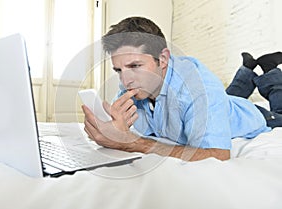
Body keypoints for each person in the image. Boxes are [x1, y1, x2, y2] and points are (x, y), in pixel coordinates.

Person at [82, 16, 282, 161]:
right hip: (223, 103)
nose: (125, 80)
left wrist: (132, 143)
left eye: (135, 66)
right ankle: (247, 69)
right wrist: (115, 126)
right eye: (118, 70)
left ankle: (270, 70)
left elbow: (218, 155)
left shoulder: (198, 89)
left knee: (277, 111)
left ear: (162, 59)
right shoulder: (132, 80)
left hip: (257, 117)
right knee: (228, 96)